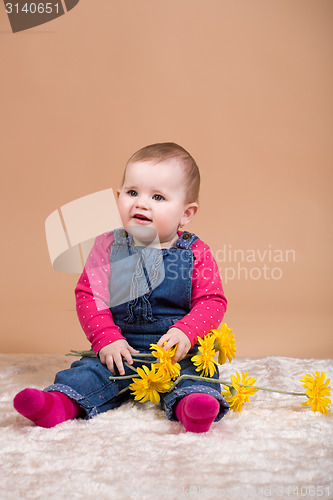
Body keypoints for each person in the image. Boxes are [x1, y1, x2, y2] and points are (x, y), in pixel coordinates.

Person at [13, 142, 229, 432]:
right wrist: (106, 338)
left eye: (158, 197)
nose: (141, 203)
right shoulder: (108, 246)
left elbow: (212, 301)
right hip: (120, 348)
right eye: (132, 192)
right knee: (88, 374)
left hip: (175, 352)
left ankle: (192, 407)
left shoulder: (195, 252)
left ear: (186, 213)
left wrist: (187, 332)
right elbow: (90, 296)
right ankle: (57, 405)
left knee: (197, 375)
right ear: (118, 196)